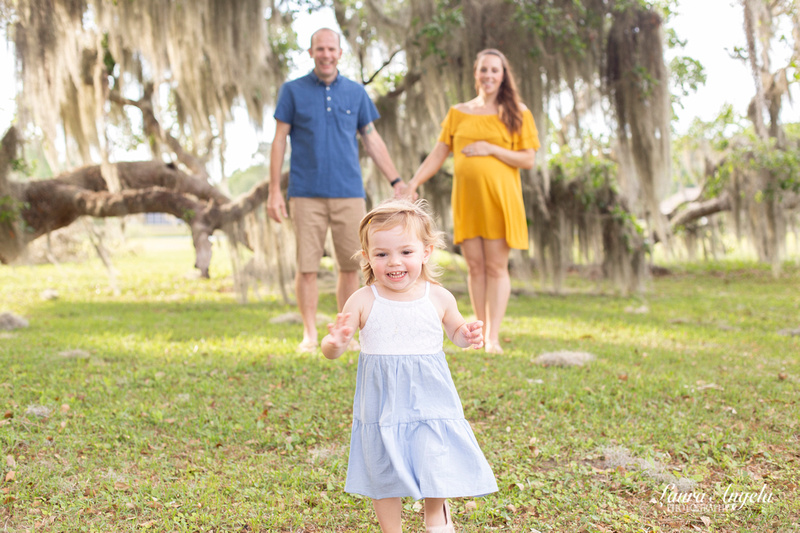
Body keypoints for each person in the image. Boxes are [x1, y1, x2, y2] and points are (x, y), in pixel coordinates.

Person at [322, 199, 497, 533]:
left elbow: (456, 332)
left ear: (426, 252)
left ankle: (437, 520)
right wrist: (336, 342)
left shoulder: (438, 296)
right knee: (384, 471)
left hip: (430, 401)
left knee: (435, 458)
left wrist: (467, 334)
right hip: (382, 406)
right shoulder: (363, 299)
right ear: (367, 256)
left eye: (405, 252)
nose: (394, 262)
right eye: (382, 254)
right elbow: (331, 350)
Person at [267, 28, 407, 353]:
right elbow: (279, 140)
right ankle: (309, 334)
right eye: (320, 49)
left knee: (350, 266)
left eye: (331, 49)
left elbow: (372, 139)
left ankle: (346, 332)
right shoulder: (292, 91)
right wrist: (274, 191)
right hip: (305, 193)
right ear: (311, 52)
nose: (326, 54)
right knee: (307, 267)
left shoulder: (356, 93)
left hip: (349, 192)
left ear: (340, 53)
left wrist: (396, 181)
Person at [406, 49, 540, 354]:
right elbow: (439, 153)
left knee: (496, 267)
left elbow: (528, 159)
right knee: (475, 267)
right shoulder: (458, 112)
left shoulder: (518, 112)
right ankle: (479, 333)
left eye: (495, 70)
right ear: (476, 73)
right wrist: (414, 182)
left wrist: (490, 149)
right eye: (484, 69)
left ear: (503, 76)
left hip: (500, 199)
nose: (489, 75)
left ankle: (493, 337)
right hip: (467, 201)